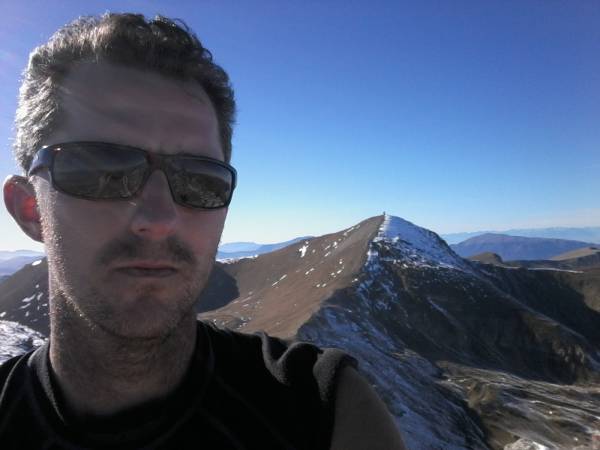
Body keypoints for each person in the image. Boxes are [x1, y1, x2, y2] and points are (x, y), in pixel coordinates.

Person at [0, 13, 405, 449]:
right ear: (30, 209)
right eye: (101, 171)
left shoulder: (321, 407)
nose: (160, 219)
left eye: (200, 181)